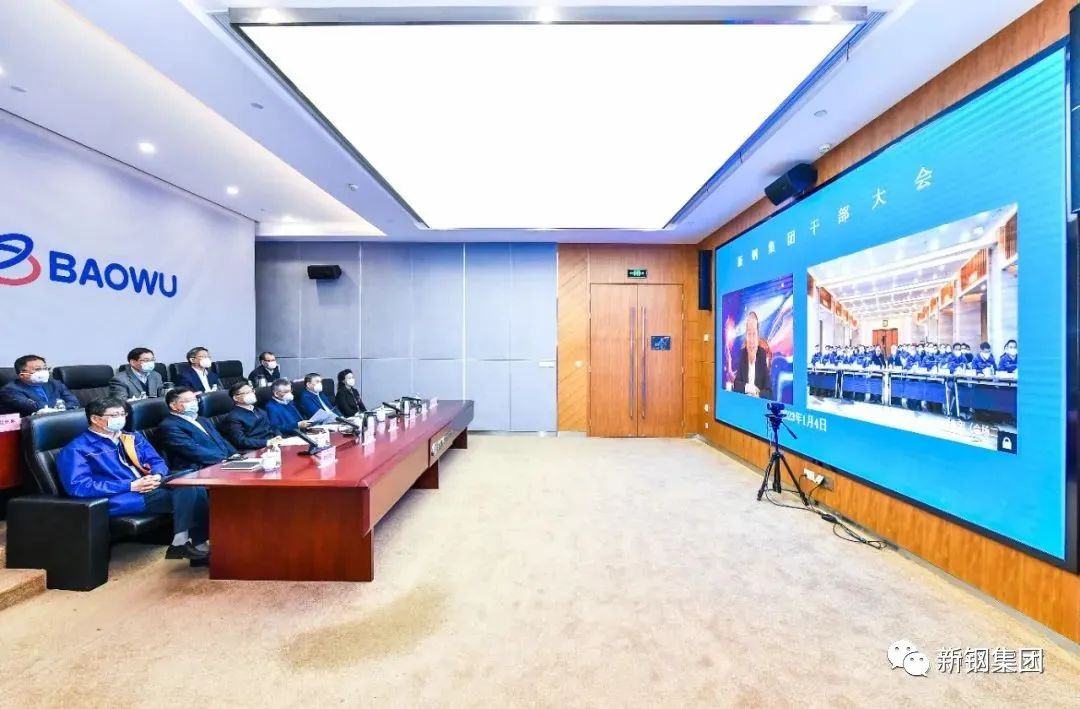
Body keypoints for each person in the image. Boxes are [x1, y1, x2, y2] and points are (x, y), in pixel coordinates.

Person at [55, 396, 208, 563]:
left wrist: (156, 475)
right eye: (114, 415)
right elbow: (79, 486)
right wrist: (130, 485)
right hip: (121, 496)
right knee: (188, 490)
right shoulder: (77, 449)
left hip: (149, 485)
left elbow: (156, 461)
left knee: (191, 480)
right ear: (95, 419)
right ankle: (192, 545)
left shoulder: (132, 438)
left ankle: (188, 544)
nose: (121, 419)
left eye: (123, 414)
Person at [158, 387, 236, 469]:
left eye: (195, 400)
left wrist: (235, 455)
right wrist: (224, 459)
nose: (194, 403)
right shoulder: (169, 426)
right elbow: (191, 450)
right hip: (198, 468)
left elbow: (220, 440)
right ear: (173, 406)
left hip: (221, 462)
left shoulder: (202, 420)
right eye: (188, 401)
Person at [0, 354, 80, 416]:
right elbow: (34, 408)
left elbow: (74, 403)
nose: (43, 372)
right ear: (22, 375)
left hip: (62, 421)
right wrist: (61, 405)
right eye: (38, 369)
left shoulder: (55, 384)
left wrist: (53, 408)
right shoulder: (9, 390)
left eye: (45, 368)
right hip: (29, 428)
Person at [219, 382, 282, 451]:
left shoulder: (259, 410)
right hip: (255, 449)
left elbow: (272, 426)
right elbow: (240, 441)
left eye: (252, 391)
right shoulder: (233, 417)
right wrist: (267, 442)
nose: (252, 394)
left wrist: (278, 435)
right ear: (236, 398)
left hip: (273, 444)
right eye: (247, 393)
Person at [732, 312, 772, 399]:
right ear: (746, 336)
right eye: (749, 334)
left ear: (758, 336)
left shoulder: (763, 354)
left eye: (754, 334)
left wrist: (758, 394)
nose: (751, 340)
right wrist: (750, 388)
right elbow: (736, 384)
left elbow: (769, 392)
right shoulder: (743, 353)